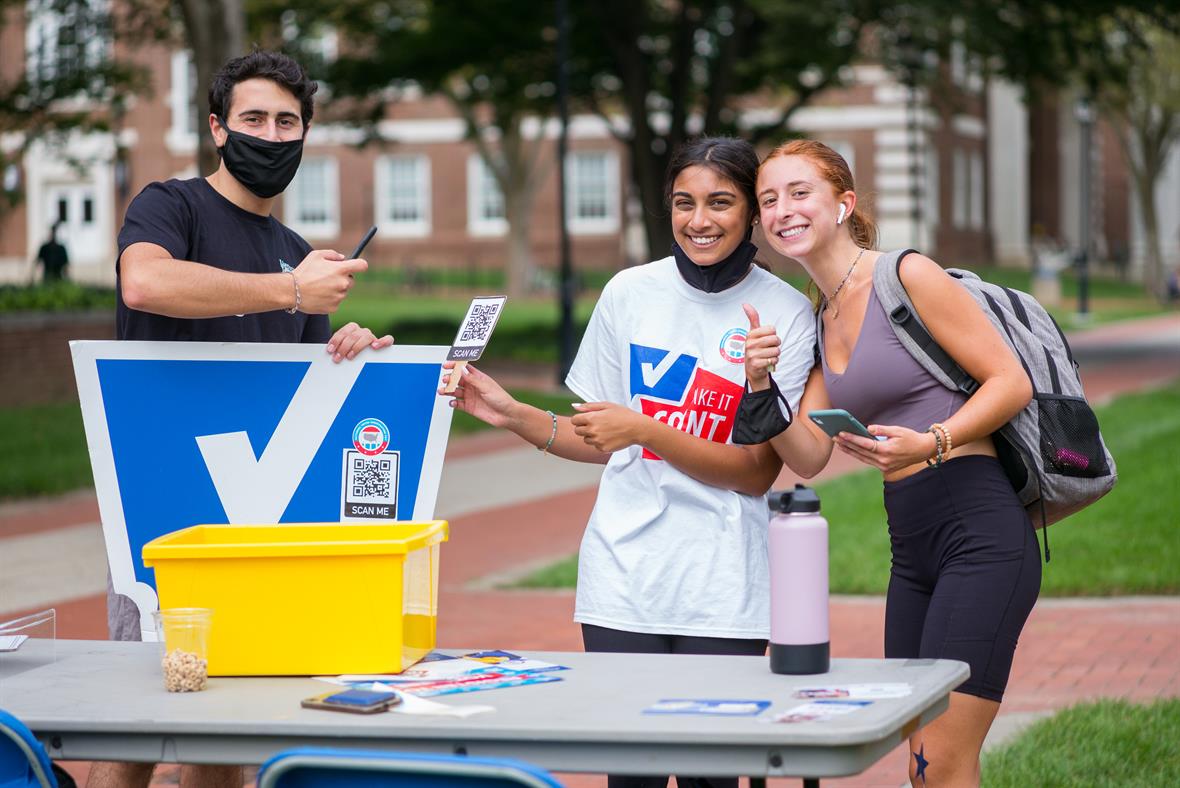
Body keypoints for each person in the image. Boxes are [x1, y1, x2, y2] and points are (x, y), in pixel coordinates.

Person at [441, 137, 819, 788]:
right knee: (631, 775)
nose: (699, 219)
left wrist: (646, 427)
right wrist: (509, 412)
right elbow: (599, 437)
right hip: (621, 580)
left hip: (723, 586)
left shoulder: (783, 312)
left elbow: (757, 471)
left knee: (710, 776)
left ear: (751, 213)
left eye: (720, 202)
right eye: (684, 202)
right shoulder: (628, 293)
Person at [90, 50, 392, 788]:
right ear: (219, 129)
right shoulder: (171, 204)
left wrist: (350, 354)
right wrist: (290, 291)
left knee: (227, 738)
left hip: (253, 516)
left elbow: (298, 394)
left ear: (305, 135)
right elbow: (146, 281)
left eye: (288, 121)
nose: (271, 133)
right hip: (161, 510)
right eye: (254, 118)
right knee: (138, 728)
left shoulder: (293, 254)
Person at [741, 139, 1039, 787]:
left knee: (942, 760)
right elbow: (810, 455)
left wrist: (931, 440)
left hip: (979, 534)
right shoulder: (820, 315)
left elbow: (1009, 382)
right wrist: (760, 383)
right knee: (919, 762)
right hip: (911, 550)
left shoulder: (905, 276)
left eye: (799, 193)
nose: (782, 209)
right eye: (769, 199)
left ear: (844, 204)